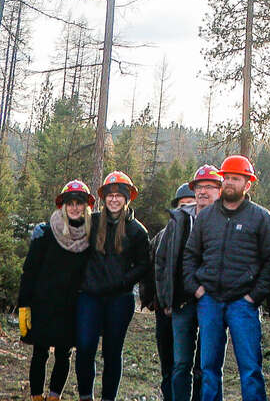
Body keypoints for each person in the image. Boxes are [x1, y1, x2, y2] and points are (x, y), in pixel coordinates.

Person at [183, 154, 270, 401]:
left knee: (250, 368)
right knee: (209, 368)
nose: (230, 183)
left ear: (248, 184)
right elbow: (191, 254)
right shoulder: (207, 216)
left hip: (242, 304)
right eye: (227, 178)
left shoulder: (260, 217)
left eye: (236, 178)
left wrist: (253, 296)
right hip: (209, 299)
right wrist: (196, 288)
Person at [75, 170, 151, 401]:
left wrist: (123, 281)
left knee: (112, 352)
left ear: (127, 199)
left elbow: (143, 265)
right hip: (90, 296)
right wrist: (45, 230)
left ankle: (108, 398)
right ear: (104, 198)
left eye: (119, 195)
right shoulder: (93, 222)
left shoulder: (138, 231)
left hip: (120, 299)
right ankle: (86, 396)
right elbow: (69, 233)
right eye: (110, 195)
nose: (114, 199)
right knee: (85, 346)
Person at [18, 180, 93, 401]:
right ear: (63, 206)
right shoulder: (46, 233)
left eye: (79, 203)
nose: (74, 207)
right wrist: (24, 304)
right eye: (70, 203)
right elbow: (29, 271)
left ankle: (53, 397)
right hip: (44, 305)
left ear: (86, 206)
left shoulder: (91, 236)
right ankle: (36, 397)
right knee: (39, 353)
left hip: (72, 307)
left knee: (63, 354)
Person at [156, 165, 224, 401]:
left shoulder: (227, 220)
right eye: (199, 187)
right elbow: (162, 261)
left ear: (220, 190)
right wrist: (166, 298)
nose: (203, 192)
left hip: (212, 302)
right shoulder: (179, 219)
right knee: (180, 364)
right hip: (182, 303)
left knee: (208, 365)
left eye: (209, 187)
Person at [144, 182, 196, 401]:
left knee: (192, 363)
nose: (186, 209)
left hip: (193, 306)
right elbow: (150, 268)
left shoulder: (204, 233)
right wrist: (152, 300)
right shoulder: (162, 236)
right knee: (169, 360)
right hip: (164, 308)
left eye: (191, 204)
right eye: (182, 205)